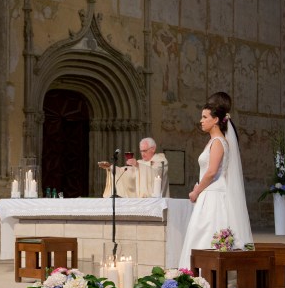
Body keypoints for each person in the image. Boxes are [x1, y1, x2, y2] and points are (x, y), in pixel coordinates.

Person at [177, 92, 253, 268]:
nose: (201, 121)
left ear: (216, 120)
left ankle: (205, 276)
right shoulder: (213, 141)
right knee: (199, 233)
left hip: (213, 195)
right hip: (208, 193)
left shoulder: (218, 141)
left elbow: (211, 172)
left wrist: (196, 191)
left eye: (205, 117)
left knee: (207, 233)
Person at [100, 137, 169, 198]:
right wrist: (112, 168)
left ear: (153, 149)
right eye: (141, 151)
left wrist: (138, 165)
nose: (142, 154)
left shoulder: (161, 160)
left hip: (156, 200)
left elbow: (156, 173)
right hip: (140, 200)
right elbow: (127, 172)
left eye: (144, 151)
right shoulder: (140, 162)